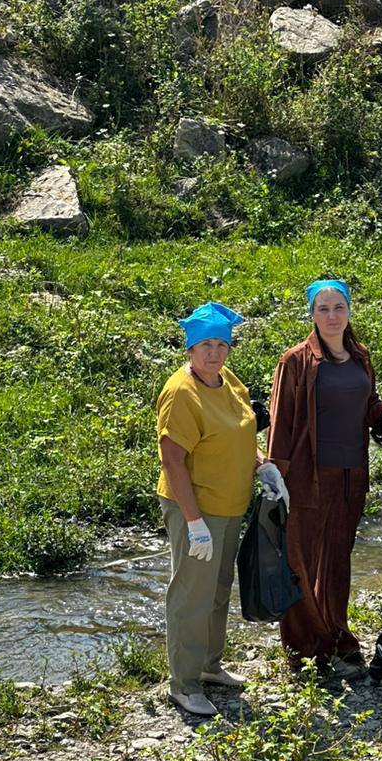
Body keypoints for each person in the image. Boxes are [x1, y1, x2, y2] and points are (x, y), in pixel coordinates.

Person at [267, 279, 382, 678]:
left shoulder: (360, 355)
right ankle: (305, 651)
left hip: (351, 477)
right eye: (323, 309)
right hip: (307, 478)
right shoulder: (295, 361)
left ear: (349, 311)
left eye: (338, 308)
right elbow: (280, 420)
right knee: (302, 563)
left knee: (336, 564)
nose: (332, 316)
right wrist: (274, 472)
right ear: (312, 315)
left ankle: (337, 638)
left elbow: (366, 404)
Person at [157, 300, 286, 716]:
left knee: (217, 588)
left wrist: (262, 465)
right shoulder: (181, 393)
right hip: (196, 507)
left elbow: (241, 432)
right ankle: (184, 683)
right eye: (205, 345)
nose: (214, 353)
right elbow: (172, 459)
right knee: (192, 594)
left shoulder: (227, 379)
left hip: (231, 504)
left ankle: (209, 666)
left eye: (221, 345)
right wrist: (194, 521)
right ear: (190, 349)